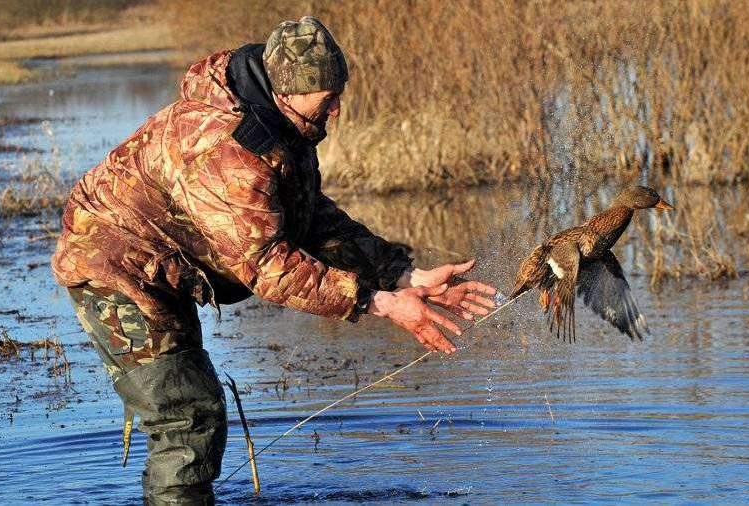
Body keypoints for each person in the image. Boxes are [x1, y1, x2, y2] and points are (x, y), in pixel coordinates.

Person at [51, 16, 497, 505]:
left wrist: (402, 272)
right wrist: (382, 304)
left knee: (192, 411)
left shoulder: (285, 124)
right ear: (286, 92)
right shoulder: (228, 149)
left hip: (164, 263)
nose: (337, 109)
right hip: (113, 264)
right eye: (327, 99)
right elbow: (268, 264)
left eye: (338, 93)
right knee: (186, 415)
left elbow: (310, 221)